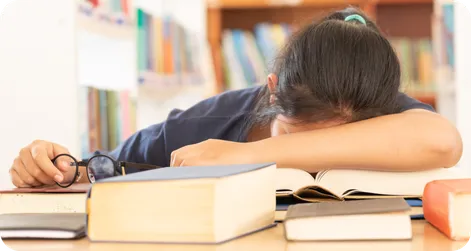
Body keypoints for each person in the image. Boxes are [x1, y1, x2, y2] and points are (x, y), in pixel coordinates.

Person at [10, 8, 462, 188]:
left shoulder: (369, 99)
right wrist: (54, 169)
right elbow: (101, 171)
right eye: (298, 133)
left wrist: (252, 156)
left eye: (350, 136)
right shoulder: (203, 126)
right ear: (271, 91)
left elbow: (444, 141)